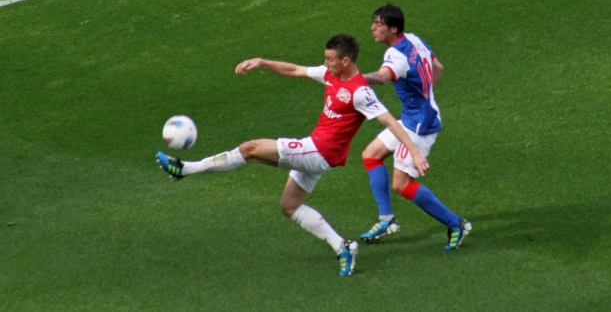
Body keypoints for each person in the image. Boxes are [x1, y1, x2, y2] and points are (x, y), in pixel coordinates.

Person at [156, 34, 429, 277]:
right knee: (289, 206)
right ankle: (343, 247)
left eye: (330, 59)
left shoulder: (360, 92)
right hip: (317, 151)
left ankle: (185, 169)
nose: (326, 63)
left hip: (319, 151)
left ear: (346, 60)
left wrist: (414, 154)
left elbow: (391, 122)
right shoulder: (330, 74)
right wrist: (262, 62)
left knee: (250, 148)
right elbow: (295, 70)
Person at [358, 4, 471, 250]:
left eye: (379, 24)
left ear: (393, 28)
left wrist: (350, 78)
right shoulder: (413, 39)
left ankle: (456, 224)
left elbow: (382, 77)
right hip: (415, 116)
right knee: (370, 155)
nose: (373, 28)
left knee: (401, 184)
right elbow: (437, 67)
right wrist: (425, 95)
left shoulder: (395, 56)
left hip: (419, 126)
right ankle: (387, 220)